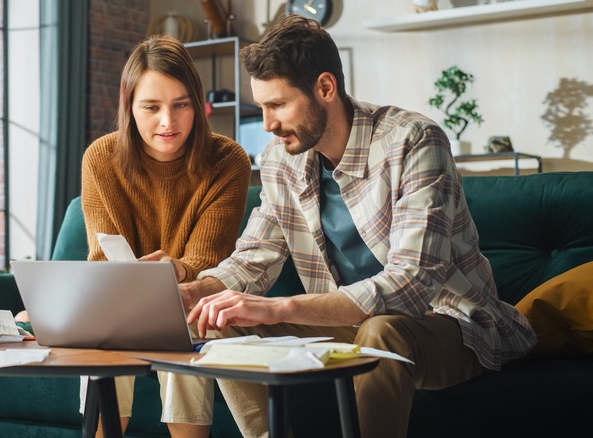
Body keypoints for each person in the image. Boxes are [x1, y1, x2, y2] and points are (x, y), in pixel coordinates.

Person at [179, 15, 538, 438]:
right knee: (216, 316)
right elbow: (251, 261)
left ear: (325, 88)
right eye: (262, 107)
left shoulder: (414, 141)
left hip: (448, 323)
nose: (268, 124)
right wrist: (189, 293)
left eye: (278, 105)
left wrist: (281, 306)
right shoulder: (280, 161)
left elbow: (411, 284)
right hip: (347, 325)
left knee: (381, 331)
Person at [80, 34, 251, 438]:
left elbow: (207, 265)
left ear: (198, 104)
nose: (168, 123)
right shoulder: (101, 158)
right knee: (105, 326)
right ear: (130, 107)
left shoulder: (228, 160)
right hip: (117, 304)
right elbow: (103, 264)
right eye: (151, 107)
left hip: (191, 303)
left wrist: (175, 270)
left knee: (184, 319)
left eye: (181, 105)